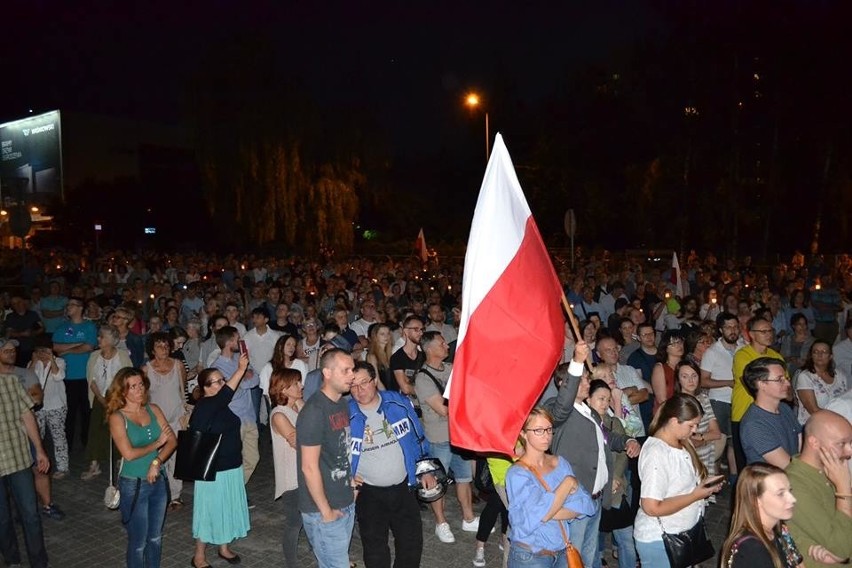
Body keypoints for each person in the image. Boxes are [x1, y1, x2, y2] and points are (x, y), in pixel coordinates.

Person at [545, 341, 641, 567]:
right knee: (572, 556)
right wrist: (577, 361)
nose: (588, 382)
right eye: (584, 379)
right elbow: (561, 407)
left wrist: (626, 440)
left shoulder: (589, 410)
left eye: (588, 378)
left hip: (595, 497)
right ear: (564, 383)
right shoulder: (556, 411)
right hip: (576, 498)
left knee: (588, 554)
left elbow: (606, 436)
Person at [349, 361, 431, 568]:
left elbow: (418, 438)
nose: (359, 390)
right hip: (368, 493)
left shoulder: (397, 403)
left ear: (375, 381)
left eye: (364, 383)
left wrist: (425, 471)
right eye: (353, 385)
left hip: (404, 487)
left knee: (411, 543)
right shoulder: (345, 415)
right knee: (375, 548)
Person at [633, 394, 724, 567]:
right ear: (674, 421)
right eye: (691, 425)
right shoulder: (657, 453)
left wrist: (705, 486)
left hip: (682, 532)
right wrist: (696, 496)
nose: (695, 430)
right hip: (660, 540)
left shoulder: (681, 442)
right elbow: (651, 507)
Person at [414, 331, 483, 544]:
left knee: (464, 479)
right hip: (439, 438)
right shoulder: (422, 378)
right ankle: (441, 523)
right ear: (429, 350)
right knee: (438, 483)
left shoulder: (453, 369)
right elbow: (443, 409)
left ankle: (468, 517)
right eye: (442, 343)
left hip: (458, 436)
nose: (446, 345)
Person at [506, 407, 595, 568]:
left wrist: (549, 509)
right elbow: (542, 515)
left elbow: (585, 504)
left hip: (561, 552)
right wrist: (567, 483)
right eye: (538, 430)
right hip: (530, 557)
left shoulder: (560, 463)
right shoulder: (517, 474)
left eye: (549, 429)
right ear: (523, 434)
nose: (546, 435)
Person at [107, 367, 177, 568]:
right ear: (123, 391)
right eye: (133, 387)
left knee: (155, 537)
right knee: (138, 542)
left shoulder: (153, 409)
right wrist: (156, 445)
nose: (139, 390)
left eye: (141, 385)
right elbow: (128, 454)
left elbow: (172, 441)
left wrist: (157, 462)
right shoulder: (118, 417)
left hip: (158, 481)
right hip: (134, 484)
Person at [189, 358, 251, 568]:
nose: (222, 384)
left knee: (228, 508)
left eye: (222, 379)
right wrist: (241, 369)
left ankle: (223, 547)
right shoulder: (206, 405)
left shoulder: (221, 406)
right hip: (213, 469)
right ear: (205, 388)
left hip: (231, 466)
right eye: (215, 382)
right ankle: (199, 556)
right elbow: (226, 394)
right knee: (210, 511)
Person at [297, 347, 356, 568]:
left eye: (353, 369)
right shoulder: (314, 411)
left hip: (344, 498)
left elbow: (338, 449)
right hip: (323, 509)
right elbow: (309, 467)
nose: (352, 375)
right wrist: (326, 512)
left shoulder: (341, 402)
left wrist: (349, 481)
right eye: (346, 370)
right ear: (327, 373)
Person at [721, 463, 844, 567]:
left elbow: (798, 564)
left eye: (789, 490)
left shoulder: (779, 529)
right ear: (755, 500)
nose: (792, 499)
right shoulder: (751, 549)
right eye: (780, 494)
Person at [0, 341, 51, 568]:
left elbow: (27, 416)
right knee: (2, 519)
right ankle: (12, 559)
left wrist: (39, 450)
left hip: (18, 457)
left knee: (30, 514)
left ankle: (39, 562)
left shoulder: (11, 383)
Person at [785, 410, 852, 566]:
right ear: (814, 442)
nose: (849, 451)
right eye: (841, 444)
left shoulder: (829, 471)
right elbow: (842, 547)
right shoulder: (793, 485)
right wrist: (844, 489)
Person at [586, 379, 638, 568]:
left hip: (615, 491)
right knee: (593, 543)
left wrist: (615, 477)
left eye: (608, 400)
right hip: (593, 492)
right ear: (588, 399)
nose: (605, 403)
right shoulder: (582, 425)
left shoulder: (614, 422)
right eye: (600, 398)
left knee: (626, 540)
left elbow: (623, 453)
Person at [732, 317, 786, 473]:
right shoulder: (743, 355)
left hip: (772, 414)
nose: (768, 334)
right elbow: (751, 385)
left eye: (770, 331)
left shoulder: (777, 356)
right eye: (763, 331)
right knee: (747, 466)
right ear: (751, 334)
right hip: (743, 413)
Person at [142, 332, 187, 510]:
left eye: (167, 345)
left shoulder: (178, 365)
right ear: (152, 349)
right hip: (155, 421)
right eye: (160, 346)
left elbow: (183, 391)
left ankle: (175, 495)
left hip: (176, 418)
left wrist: (185, 413)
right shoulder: (146, 370)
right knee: (158, 457)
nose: (164, 349)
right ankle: (160, 493)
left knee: (175, 457)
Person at [83, 325, 132, 481]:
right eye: (99, 336)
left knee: (119, 430)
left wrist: (117, 397)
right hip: (100, 397)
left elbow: (128, 378)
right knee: (95, 430)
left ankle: (120, 460)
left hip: (118, 399)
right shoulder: (94, 356)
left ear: (111, 340)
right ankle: (94, 464)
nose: (98, 339)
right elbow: (91, 379)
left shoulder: (123, 356)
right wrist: (100, 397)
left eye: (102, 336)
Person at [52, 296, 98, 451]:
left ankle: (88, 445)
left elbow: (89, 347)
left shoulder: (89, 326)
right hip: (67, 377)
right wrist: (78, 344)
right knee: (69, 414)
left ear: (80, 308)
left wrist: (68, 349)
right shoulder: (61, 327)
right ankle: (67, 447)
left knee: (87, 413)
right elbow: (56, 348)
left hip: (86, 377)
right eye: (68, 304)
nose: (68, 307)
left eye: (72, 305)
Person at [269, 368, 304, 568]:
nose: (301, 386)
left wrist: (298, 401)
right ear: (283, 388)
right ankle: (292, 563)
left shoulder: (296, 407)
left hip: (304, 473)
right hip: (292, 477)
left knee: (309, 519)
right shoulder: (279, 415)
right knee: (294, 523)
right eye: (296, 383)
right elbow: (298, 441)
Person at [740, 358, 802, 468]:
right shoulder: (754, 424)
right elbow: (787, 466)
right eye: (779, 379)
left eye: (786, 378)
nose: (787, 383)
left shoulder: (784, 408)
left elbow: (800, 444)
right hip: (773, 482)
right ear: (761, 384)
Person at [675, 360, 723, 477]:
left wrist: (699, 438)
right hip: (686, 461)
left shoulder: (704, 399)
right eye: (685, 376)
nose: (691, 381)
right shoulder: (676, 404)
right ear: (678, 380)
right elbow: (681, 438)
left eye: (694, 376)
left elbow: (716, 433)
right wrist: (704, 438)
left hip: (707, 457)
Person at [30, 341, 70, 479]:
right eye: (39, 350)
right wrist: (34, 362)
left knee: (58, 436)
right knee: (37, 436)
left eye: (45, 350)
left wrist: (52, 360)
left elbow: (59, 376)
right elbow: (27, 379)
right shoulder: (34, 363)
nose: (42, 354)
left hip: (56, 405)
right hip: (38, 407)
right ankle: (38, 464)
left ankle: (63, 467)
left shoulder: (60, 361)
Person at [794, 340, 849, 425]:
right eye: (816, 352)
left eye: (824, 351)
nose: (820, 355)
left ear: (830, 356)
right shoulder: (805, 376)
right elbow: (813, 410)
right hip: (815, 425)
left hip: (839, 423)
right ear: (811, 356)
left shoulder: (840, 375)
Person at [650, 330, 684, 411]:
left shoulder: (687, 365)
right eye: (674, 344)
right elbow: (662, 400)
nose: (679, 345)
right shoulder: (660, 368)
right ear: (666, 348)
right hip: (667, 412)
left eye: (680, 342)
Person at [365, 323, 395, 391]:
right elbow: (377, 381)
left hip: (393, 391)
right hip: (382, 393)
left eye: (388, 333)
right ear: (375, 336)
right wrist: (388, 396)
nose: (386, 336)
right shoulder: (372, 356)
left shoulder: (392, 354)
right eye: (382, 334)